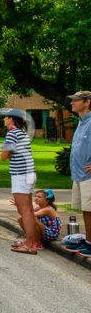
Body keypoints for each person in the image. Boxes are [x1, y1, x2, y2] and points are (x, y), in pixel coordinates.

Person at [1, 108, 38, 254]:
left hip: (21, 174)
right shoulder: (21, 133)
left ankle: (30, 245)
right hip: (28, 173)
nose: (4, 119)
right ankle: (31, 240)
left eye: (6, 117)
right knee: (28, 210)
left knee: (25, 211)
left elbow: (4, 156)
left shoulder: (12, 133)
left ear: (11, 119)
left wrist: (5, 148)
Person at [68, 90, 91, 239]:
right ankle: (89, 241)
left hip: (88, 175)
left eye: (76, 100)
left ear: (87, 102)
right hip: (79, 173)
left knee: (90, 210)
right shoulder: (81, 122)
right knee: (85, 209)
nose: (72, 103)